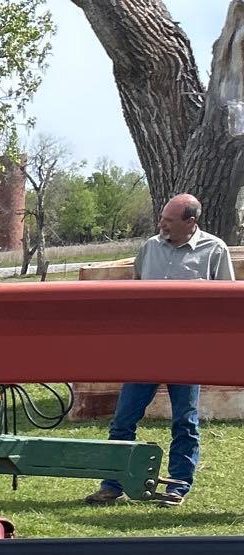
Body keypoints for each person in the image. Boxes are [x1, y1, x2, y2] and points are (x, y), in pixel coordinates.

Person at [83, 193, 235, 507]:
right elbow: (136, 294)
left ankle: (177, 486)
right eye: (161, 218)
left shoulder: (214, 250)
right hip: (146, 350)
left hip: (187, 352)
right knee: (123, 419)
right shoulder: (150, 247)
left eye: (168, 220)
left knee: (185, 421)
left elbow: (228, 304)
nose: (161, 224)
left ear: (191, 222)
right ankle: (113, 484)